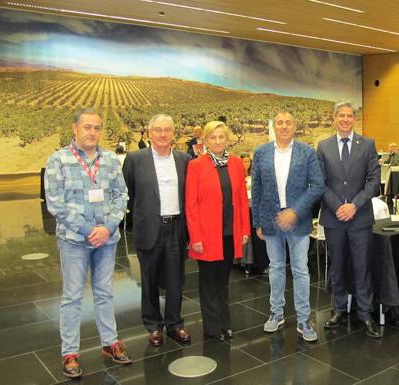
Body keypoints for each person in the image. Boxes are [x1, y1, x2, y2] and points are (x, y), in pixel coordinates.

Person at [45, 108, 131, 378]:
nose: (92, 132)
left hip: (106, 240)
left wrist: (106, 228)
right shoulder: (58, 160)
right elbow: (55, 204)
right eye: (87, 127)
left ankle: (110, 343)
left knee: (104, 293)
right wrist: (87, 229)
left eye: (97, 128)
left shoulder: (110, 160)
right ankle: (70, 352)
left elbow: (122, 196)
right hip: (74, 240)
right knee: (72, 297)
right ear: (75, 128)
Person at [251, 111, 325, 342]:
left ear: (295, 127)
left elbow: (317, 186)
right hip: (271, 221)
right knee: (276, 268)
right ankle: (276, 313)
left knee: (301, 269)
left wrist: (294, 211)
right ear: (274, 126)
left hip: (298, 220)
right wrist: (258, 222)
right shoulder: (261, 152)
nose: (284, 126)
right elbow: (257, 190)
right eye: (279, 123)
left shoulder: (306, 152)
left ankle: (304, 319)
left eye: (288, 123)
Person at [122, 114, 191, 347]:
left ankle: (175, 324)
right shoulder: (135, 159)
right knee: (149, 280)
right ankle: (153, 326)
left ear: (174, 133)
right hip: (149, 228)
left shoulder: (184, 159)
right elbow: (129, 193)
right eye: (158, 130)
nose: (162, 134)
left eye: (167, 130)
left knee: (175, 280)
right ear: (149, 133)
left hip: (176, 228)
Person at [316, 101, 381, 338]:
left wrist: (354, 205)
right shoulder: (323, 147)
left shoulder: (367, 144)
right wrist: (339, 207)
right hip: (334, 219)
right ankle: (339, 309)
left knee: (362, 267)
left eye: (349, 116)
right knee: (338, 266)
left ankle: (365, 314)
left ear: (355, 119)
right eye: (341, 115)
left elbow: (374, 181)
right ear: (334, 118)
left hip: (360, 217)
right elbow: (319, 183)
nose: (345, 119)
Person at [185, 121, 250, 340]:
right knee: (208, 282)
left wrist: (244, 230)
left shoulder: (235, 164)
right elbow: (190, 204)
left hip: (229, 232)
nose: (218, 141)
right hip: (206, 234)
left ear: (227, 139)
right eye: (213, 137)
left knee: (223, 281)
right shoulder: (196, 165)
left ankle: (225, 323)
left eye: (221, 137)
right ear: (205, 140)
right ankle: (212, 327)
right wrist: (195, 237)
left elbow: (241, 200)